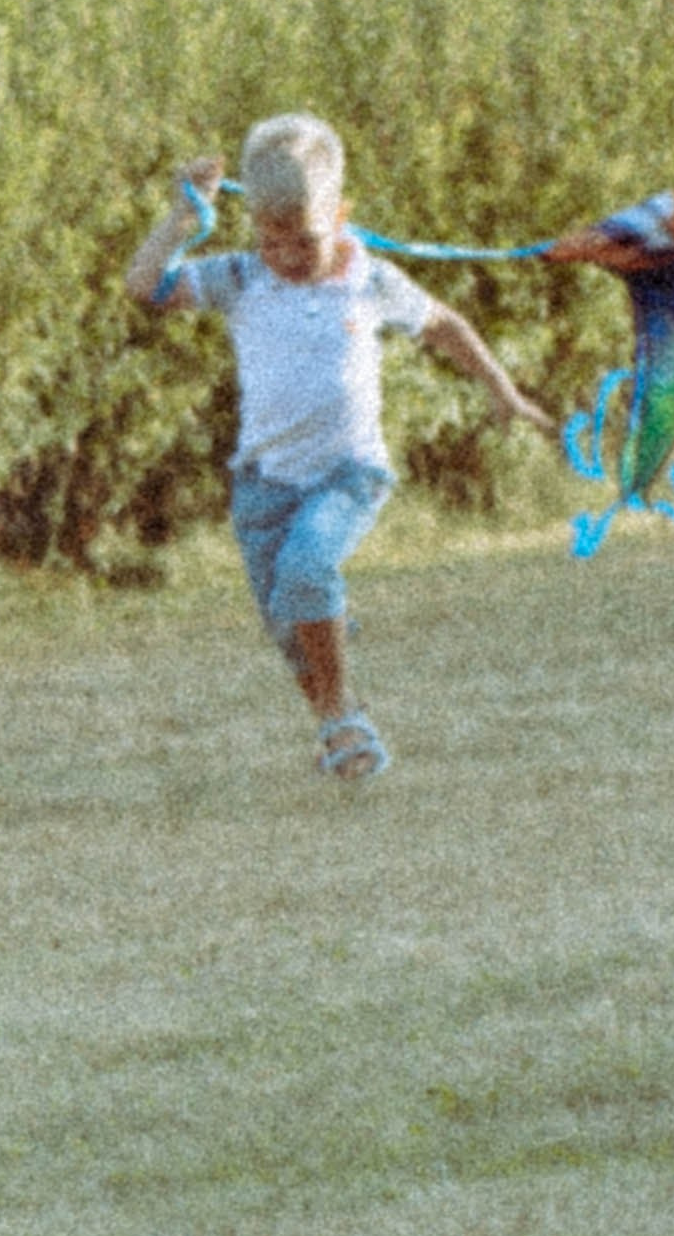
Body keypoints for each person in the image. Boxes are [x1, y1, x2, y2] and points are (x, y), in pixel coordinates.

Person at [123, 111, 553, 781]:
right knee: (291, 630)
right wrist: (183, 217)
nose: (290, 257)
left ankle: (343, 708)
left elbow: (443, 325)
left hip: (348, 474)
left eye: (306, 240)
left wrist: (504, 390)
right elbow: (144, 285)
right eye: (273, 241)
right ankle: (335, 722)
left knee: (305, 572)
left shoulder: (368, 279)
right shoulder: (241, 279)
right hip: (263, 485)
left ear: (341, 214)